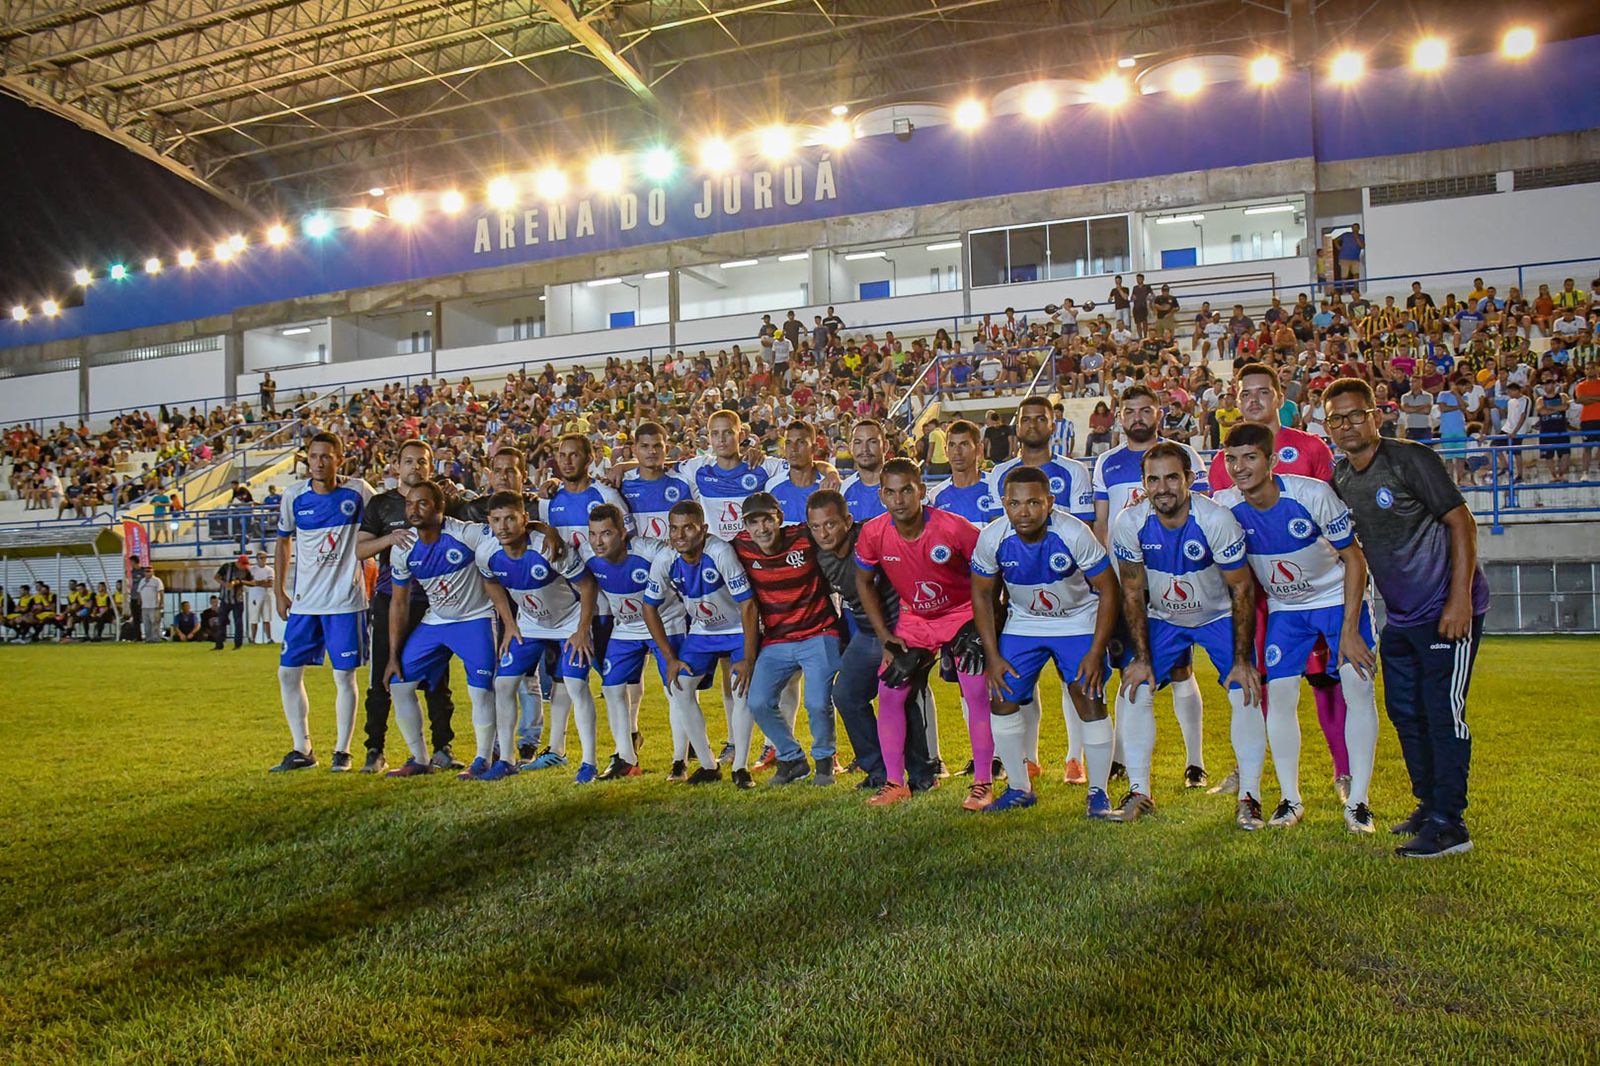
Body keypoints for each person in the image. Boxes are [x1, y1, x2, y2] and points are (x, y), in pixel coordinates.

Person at [1326, 378, 1490, 858]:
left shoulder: (1410, 459)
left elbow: (1461, 522)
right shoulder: (1341, 478)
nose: (1347, 425)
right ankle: (1427, 806)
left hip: (1447, 611)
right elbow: (1348, 551)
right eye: (1337, 418)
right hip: (1400, 615)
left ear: (1376, 415)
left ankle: (1449, 825)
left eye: (1356, 414)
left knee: (1443, 712)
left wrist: (1458, 598)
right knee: (1404, 711)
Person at [1214, 423, 1381, 834]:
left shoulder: (1311, 494)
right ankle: (1290, 800)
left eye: (1250, 457)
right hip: (1287, 609)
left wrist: (1349, 629)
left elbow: (1355, 559)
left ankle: (1359, 802)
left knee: (1357, 687)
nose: (1240, 467)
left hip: (1336, 599)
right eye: (1231, 459)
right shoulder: (1224, 506)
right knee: (1281, 695)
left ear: (1271, 461)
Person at [1205, 363, 1348, 799]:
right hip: (1255, 596)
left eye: (1263, 392)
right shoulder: (1221, 461)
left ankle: (1342, 771)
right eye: (1245, 393)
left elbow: (1327, 516)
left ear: (1280, 397)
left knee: (1326, 679)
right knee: (1255, 680)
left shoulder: (1310, 447)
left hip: (1310, 591)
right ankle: (1248, 770)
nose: (1253, 400)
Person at [1112, 444, 1264, 828]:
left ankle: (1250, 795)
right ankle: (1139, 791)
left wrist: (1243, 659)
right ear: (1144, 483)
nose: (1163, 488)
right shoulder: (1129, 523)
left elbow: (1242, 588)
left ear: (1189, 479)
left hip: (1217, 616)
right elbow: (1131, 591)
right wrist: (1142, 658)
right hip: (1164, 618)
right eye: (1153, 479)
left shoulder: (1215, 519)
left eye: (1172, 477)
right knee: (1134, 688)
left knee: (1244, 689)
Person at [971, 467, 1120, 815]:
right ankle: (1019, 788)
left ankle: (1098, 793)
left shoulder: (1073, 532)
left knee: (1088, 695)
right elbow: (981, 595)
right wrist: (992, 656)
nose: (1024, 511)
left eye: (1034, 502)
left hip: (1077, 620)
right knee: (1003, 695)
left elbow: (1108, 589)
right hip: (1025, 622)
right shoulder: (993, 537)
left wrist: (1096, 651)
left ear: (1050, 502)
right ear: (1004, 503)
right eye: (1015, 503)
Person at [854, 459, 996, 810]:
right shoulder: (873, 533)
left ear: (921, 490)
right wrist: (886, 636)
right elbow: (862, 582)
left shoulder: (954, 527)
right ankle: (894, 783)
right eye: (891, 492)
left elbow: (991, 569)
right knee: (889, 690)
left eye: (906, 490)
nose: (899, 499)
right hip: (915, 618)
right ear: (881, 494)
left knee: (975, 690)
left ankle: (983, 783)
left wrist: (985, 623)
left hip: (962, 612)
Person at [1092, 385, 1209, 784]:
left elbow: (1202, 514)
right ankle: (1121, 758)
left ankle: (1195, 761)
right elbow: (1103, 525)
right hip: (1128, 583)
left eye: (1146, 410)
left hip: (1172, 579)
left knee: (1180, 670)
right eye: (1130, 411)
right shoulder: (1106, 463)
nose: (1138, 417)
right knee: (1128, 667)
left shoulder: (1184, 454)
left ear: (1159, 413)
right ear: (1120, 417)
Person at [383, 481, 514, 779]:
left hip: (475, 619)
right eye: (409, 504)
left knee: (480, 691)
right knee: (400, 684)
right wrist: (393, 655)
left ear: (440, 508)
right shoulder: (404, 548)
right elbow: (399, 604)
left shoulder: (464, 533)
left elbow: (508, 533)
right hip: (436, 621)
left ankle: (482, 758)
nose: (414, 510)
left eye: (422, 504)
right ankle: (419, 758)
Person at [478, 492, 604, 781]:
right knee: (504, 683)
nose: (504, 526)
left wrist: (582, 631)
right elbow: (491, 583)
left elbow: (587, 587)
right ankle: (507, 760)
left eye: (511, 518)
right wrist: (509, 623)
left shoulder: (548, 548)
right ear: (489, 522)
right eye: (496, 520)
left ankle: (589, 763)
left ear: (524, 519)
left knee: (575, 683)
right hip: (530, 624)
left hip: (568, 621)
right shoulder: (487, 552)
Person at [271, 432, 375, 773]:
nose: (319, 462)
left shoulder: (358, 492)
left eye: (327, 456)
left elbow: (386, 516)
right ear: (307, 459)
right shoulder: (293, 496)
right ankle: (302, 748)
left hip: (345, 601)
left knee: (344, 677)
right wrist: (279, 589)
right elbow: (283, 542)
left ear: (339, 459)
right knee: (287, 673)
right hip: (304, 603)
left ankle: (342, 751)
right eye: (314, 456)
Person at [355, 439, 459, 775]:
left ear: (431, 467)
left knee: (437, 679)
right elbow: (360, 550)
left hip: (433, 600)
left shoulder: (441, 502)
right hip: (391, 599)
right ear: (397, 466)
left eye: (422, 462)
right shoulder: (382, 505)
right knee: (383, 674)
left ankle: (442, 747)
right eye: (409, 461)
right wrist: (390, 539)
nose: (416, 467)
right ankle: (375, 749)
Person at [642, 500, 759, 787]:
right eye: (674, 529)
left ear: (704, 530)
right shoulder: (666, 558)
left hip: (735, 629)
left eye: (689, 528)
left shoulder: (719, 552)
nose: (680, 535)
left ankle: (740, 768)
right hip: (703, 631)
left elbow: (748, 606)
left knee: (740, 689)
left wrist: (748, 657)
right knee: (679, 687)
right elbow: (648, 607)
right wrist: (670, 658)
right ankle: (708, 765)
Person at [734, 492, 843, 785]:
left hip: (818, 631)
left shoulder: (804, 536)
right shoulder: (740, 547)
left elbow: (837, 530)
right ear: (746, 526)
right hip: (777, 638)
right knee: (757, 701)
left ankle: (824, 761)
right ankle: (792, 758)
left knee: (817, 702)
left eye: (767, 520)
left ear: (779, 519)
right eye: (753, 522)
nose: (761, 529)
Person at [584, 503, 687, 779]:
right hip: (626, 627)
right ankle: (626, 759)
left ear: (623, 532)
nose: (598, 541)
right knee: (612, 687)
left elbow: (680, 554)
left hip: (666, 623)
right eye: (593, 534)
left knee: (677, 690)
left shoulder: (649, 551)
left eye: (605, 534)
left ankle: (680, 761)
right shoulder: (588, 555)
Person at [925, 419, 1002, 527]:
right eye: (952, 445)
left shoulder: (997, 487)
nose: (957, 452)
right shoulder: (936, 496)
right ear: (945, 450)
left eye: (964, 444)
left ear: (979, 449)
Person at [766, 421, 826, 525]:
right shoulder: (772, 486)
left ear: (814, 448)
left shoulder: (828, 485)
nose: (793, 449)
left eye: (801, 442)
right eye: (788, 443)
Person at [839, 419, 889, 522]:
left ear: (885, 446)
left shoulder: (900, 486)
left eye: (872, 442)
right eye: (858, 443)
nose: (864, 449)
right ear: (851, 448)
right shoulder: (844, 489)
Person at [212, 554, 251, 650]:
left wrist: (241, 582)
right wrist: (225, 584)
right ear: (238, 563)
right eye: (242, 565)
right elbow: (216, 577)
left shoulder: (246, 570)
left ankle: (238, 645)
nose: (243, 567)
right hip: (225, 599)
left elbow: (252, 582)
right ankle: (219, 645)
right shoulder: (227, 567)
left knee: (238, 622)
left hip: (238, 600)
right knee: (222, 622)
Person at [247, 551, 276, 644]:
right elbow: (250, 583)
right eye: (261, 558)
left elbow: (270, 583)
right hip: (254, 597)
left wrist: (258, 583)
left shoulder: (270, 570)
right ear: (257, 559)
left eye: (265, 558)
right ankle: (253, 639)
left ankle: (269, 638)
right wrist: (263, 581)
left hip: (266, 596)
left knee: (267, 618)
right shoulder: (252, 569)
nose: (263, 560)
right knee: (254, 618)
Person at [137, 567, 165, 643]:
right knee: (146, 623)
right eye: (146, 571)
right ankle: (148, 639)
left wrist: (161, 603)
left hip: (154, 606)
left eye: (149, 571)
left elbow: (161, 592)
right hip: (144, 606)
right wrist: (139, 601)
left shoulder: (157, 580)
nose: (148, 573)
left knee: (155, 623)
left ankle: (156, 639)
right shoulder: (142, 581)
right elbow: (139, 592)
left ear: (152, 572)